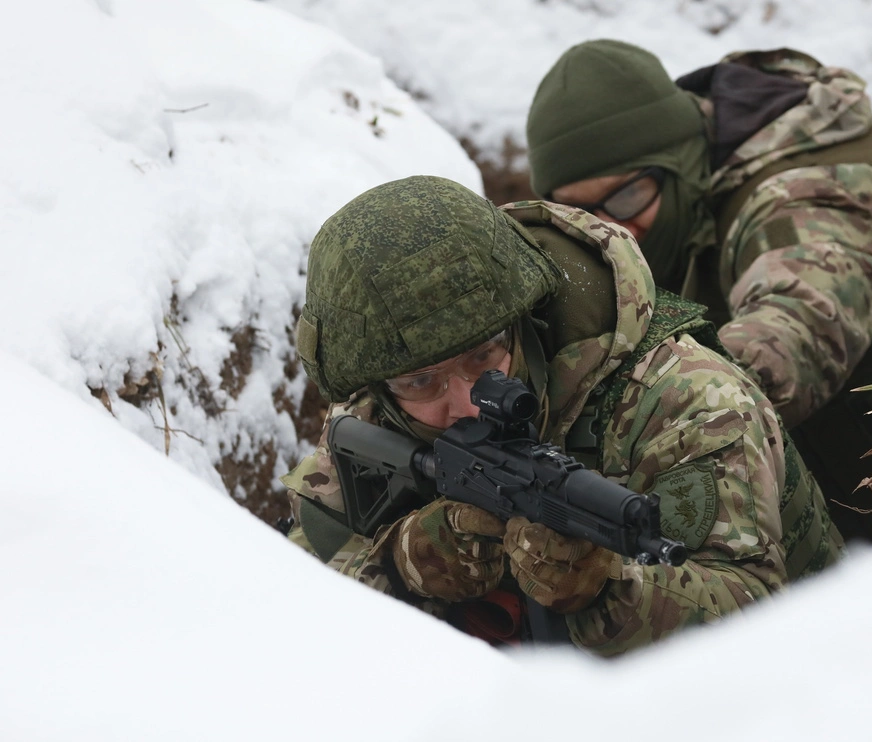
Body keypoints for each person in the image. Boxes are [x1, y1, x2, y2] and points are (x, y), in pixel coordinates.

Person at [281, 175, 842, 656]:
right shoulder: (380, 404)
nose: (463, 401)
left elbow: (766, 627)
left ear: (527, 320)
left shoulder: (687, 399)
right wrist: (404, 564)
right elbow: (279, 601)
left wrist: (610, 591)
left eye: (483, 355)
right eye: (421, 381)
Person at [525, 40, 872, 542]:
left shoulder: (813, 195)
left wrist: (632, 426)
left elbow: (789, 336)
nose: (613, 230)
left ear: (674, 160)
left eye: (628, 196)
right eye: (583, 215)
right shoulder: (684, 198)